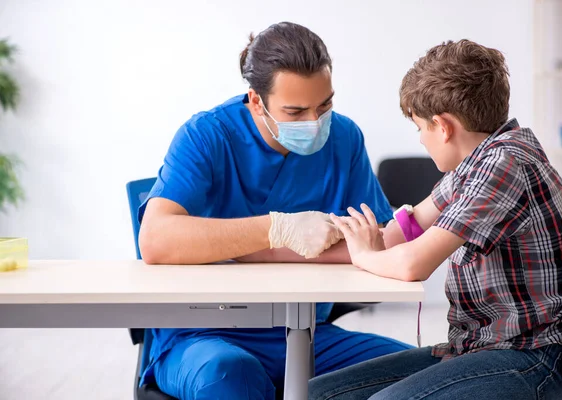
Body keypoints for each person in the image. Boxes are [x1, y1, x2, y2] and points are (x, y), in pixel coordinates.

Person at [137, 21, 411, 400]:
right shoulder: (206, 136)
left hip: (304, 332)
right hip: (202, 336)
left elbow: (380, 245)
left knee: (422, 375)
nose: (314, 123)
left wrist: (235, 249)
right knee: (231, 377)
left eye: (325, 104)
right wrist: (276, 230)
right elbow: (156, 240)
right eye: (295, 111)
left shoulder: (344, 138)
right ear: (256, 101)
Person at [309, 39, 562, 400]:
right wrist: (358, 236)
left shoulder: (504, 165)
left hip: (531, 356)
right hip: (481, 347)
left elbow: (412, 263)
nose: (422, 140)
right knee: (315, 394)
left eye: (419, 128)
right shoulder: (474, 163)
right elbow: (408, 228)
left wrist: (365, 255)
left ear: (442, 126)